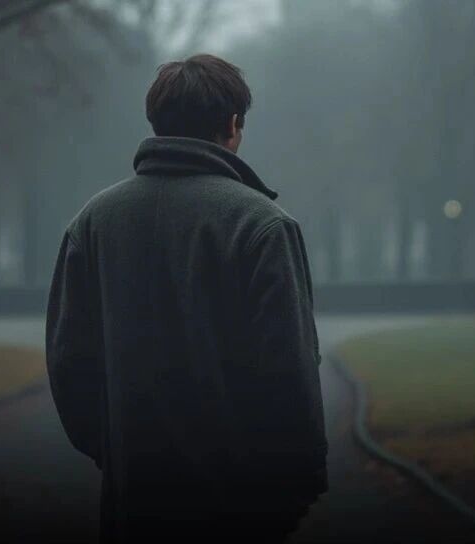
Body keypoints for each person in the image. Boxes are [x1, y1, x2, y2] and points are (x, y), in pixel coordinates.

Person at [46, 54, 326, 543]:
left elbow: (69, 364)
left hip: (132, 505)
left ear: (157, 121)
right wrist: (292, 491)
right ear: (233, 125)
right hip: (241, 510)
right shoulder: (262, 225)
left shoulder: (92, 223)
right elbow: (288, 371)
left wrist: (118, 455)